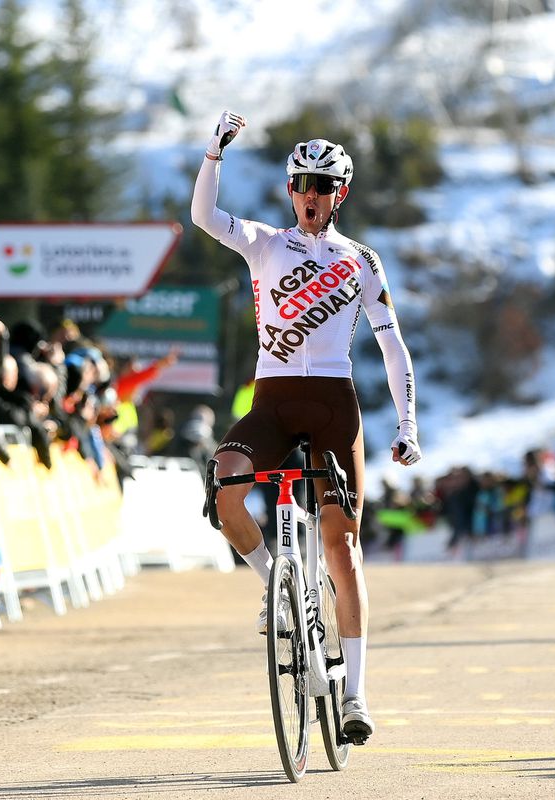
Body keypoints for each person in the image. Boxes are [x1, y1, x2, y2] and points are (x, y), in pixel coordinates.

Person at [191, 110, 421, 744]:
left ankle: (356, 696)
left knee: (342, 547)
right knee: (225, 486)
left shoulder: (361, 260)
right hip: (273, 400)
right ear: (290, 191)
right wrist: (214, 154)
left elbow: (393, 345)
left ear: (339, 194)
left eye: (323, 185)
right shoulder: (264, 243)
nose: (311, 195)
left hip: (333, 406)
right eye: (301, 184)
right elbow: (204, 216)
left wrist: (408, 425)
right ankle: (277, 589)